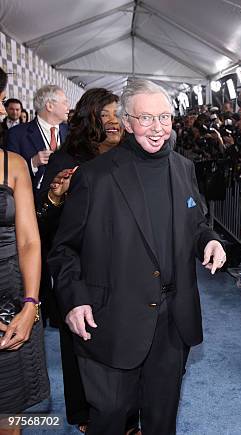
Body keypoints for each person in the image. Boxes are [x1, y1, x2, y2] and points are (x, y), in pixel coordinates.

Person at [48, 79, 226, 435]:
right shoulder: (96, 176)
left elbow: (196, 223)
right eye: (146, 118)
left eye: (164, 117)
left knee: (162, 421)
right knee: (110, 419)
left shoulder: (183, 168)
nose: (157, 128)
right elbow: (64, 249)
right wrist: (74, 300)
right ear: (127, 122)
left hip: (173, 321)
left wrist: (209, 240)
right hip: (112, 319)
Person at [35, 88, 137, 434]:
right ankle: (84, 413)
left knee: (127, 341)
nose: (112, 121)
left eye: (116, 114)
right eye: (105, 114)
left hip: (124, 265)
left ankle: (126, 417)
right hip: (79, 266)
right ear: (89, 116)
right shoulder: (67, 158)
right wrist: (54, 196)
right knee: (78, 340)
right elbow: (44, 221)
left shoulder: (133, 154)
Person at [0, 67, 50, 430]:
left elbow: (30, 240)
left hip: (10, 306)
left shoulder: (12, 164)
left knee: (8, 416)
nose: (3, 110)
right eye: (1, 102)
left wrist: (30, 305)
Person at [5, 85, 70, 188]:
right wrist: (32, 163)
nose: (68, 107)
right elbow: (8, 173)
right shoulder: (17, 134)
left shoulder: (70, 132)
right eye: (64, 102)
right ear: (50, 106)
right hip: (33, 200)